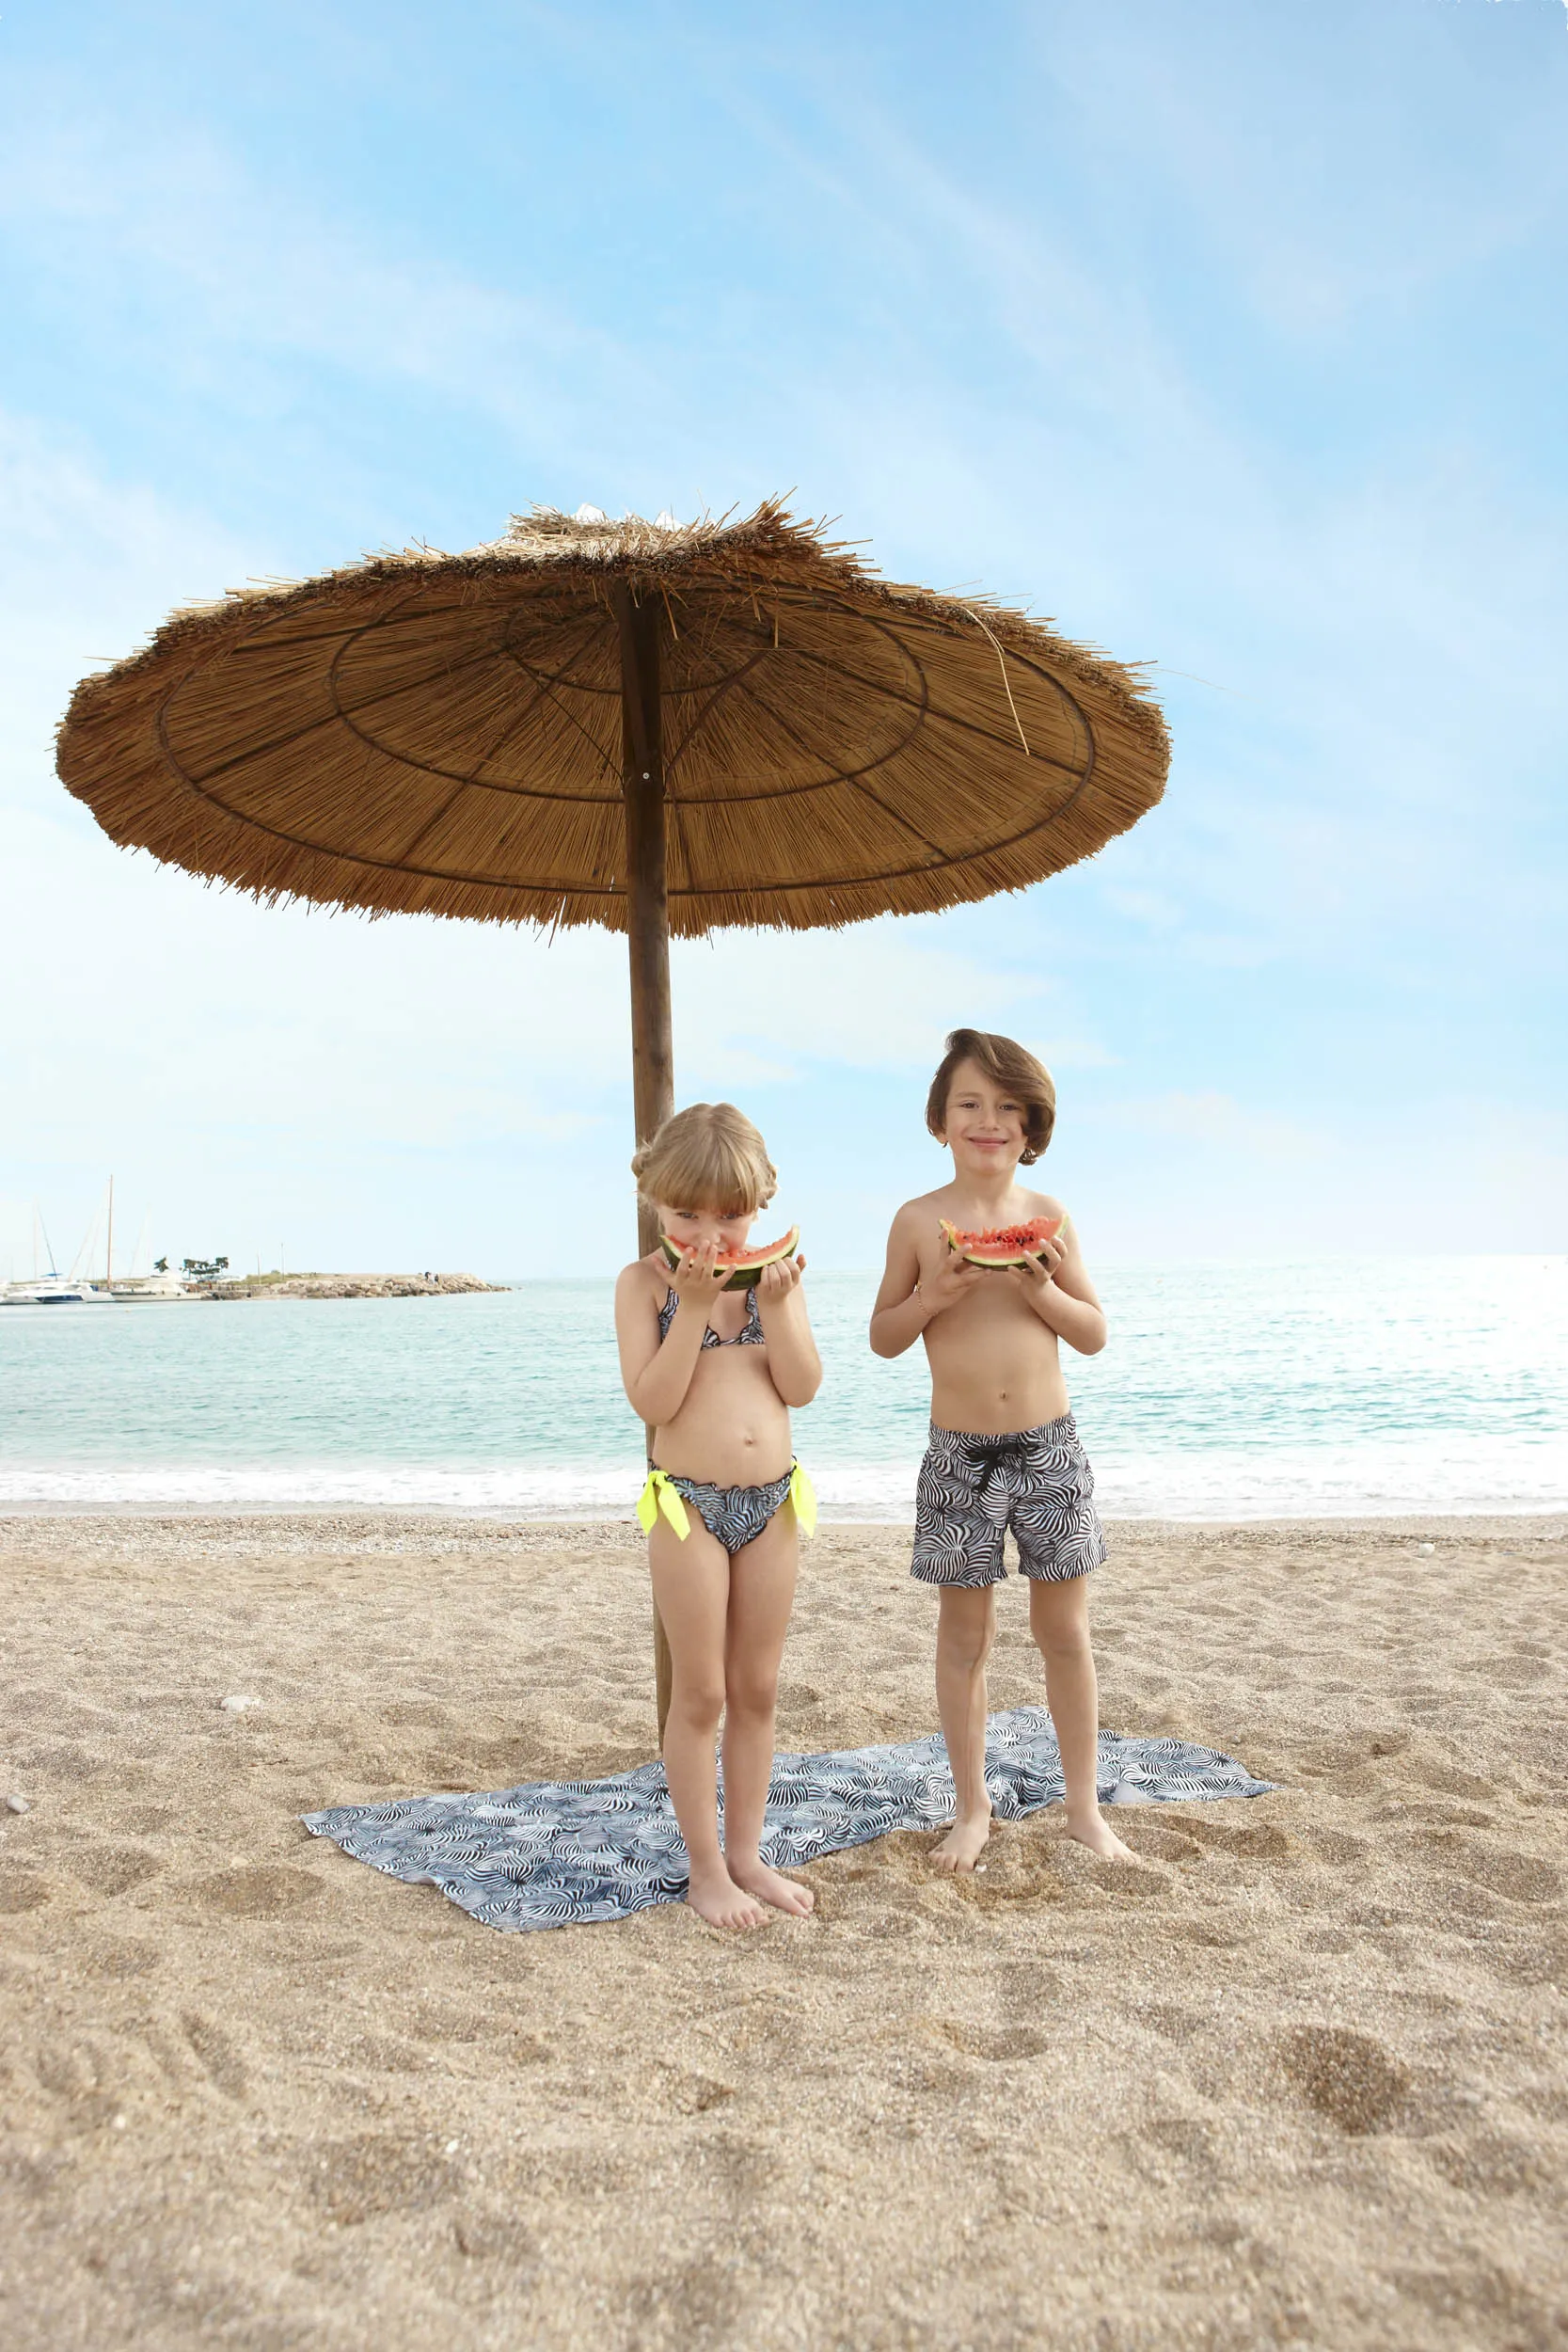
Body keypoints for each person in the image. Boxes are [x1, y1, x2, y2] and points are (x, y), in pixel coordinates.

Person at [869, 1028, 1133, 1872]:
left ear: (1031, 1126)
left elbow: (1091, 1334)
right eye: (969, 1105)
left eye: (1007, 1108)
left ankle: (1084, 1810)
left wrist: (1043, 1288)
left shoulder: (1048, 1219)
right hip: (957, 1456)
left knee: (1066, 1634)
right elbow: (882, 1337)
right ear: (940, 1121)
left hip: (1049, 1449)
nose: (988, 1121)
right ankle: (971, 1807)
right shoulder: (916, 1221)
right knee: (964, 1641)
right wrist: (935, 1293)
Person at [615, 1102, 822, 1930]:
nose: (708, 1234)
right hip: (685, 1507)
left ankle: (746, 1856)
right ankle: (705, 1872)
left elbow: (800, 1387)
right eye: (685, 1214)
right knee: (699, 1694)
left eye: (731, 1217)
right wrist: (694, 1307)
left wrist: (776, 1306)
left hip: (773, 1503)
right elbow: (654, 1401)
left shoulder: (779, 1279)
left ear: (762, 1202)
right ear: (653, 1203)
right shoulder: (642, 1287)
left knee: (758, 1688)